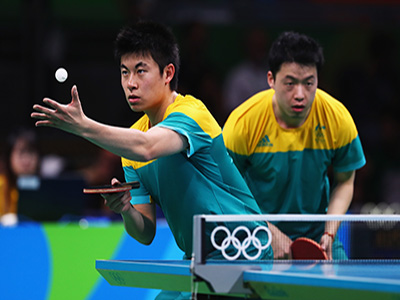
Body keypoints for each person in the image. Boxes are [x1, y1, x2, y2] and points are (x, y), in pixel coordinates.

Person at [31, 21, 273, 299]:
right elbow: (145, 232)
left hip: (243, 247)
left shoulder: (192, 114)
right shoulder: (132, 142)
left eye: (140, 71)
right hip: (199, 258)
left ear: (168, 73)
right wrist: (125, 209)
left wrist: (83, 126)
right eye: (124, 72)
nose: (130, 83)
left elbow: (147, 147)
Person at [223, 31, 366, 260]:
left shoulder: (337, 118)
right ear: (271, 79)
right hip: (255, 234)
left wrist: (329, 234)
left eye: (309, 83)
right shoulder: (243, 123)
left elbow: (345, 182)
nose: (300, 95)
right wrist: (267, 230)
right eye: (290, 83)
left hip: (317, 236)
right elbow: (226, 192)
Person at [0, 128, 41, 226]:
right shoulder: (1, 185)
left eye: (31, 152)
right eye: (21, 153)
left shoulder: (46, 189)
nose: (26, 160)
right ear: (9, 156)